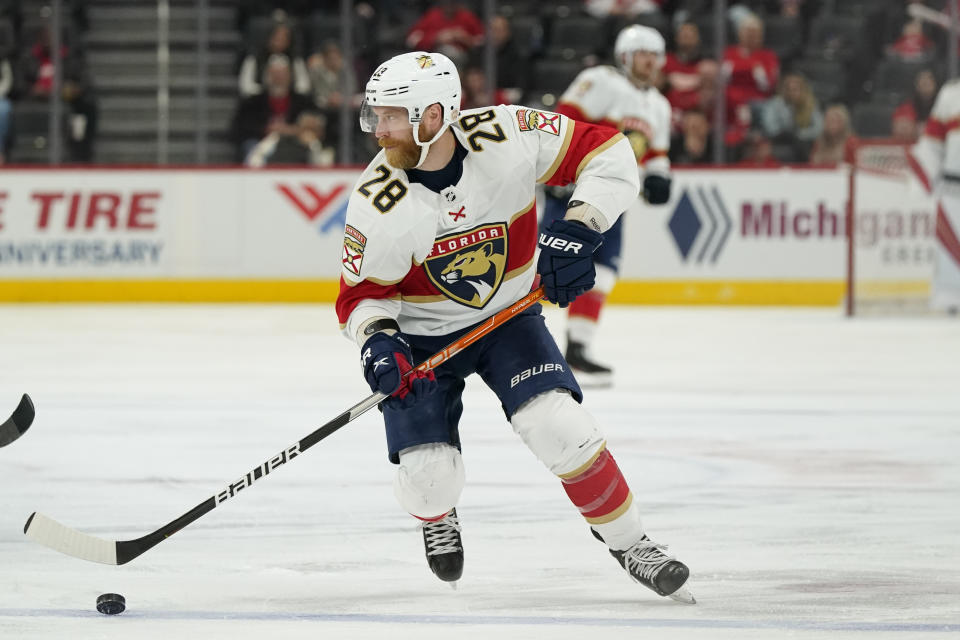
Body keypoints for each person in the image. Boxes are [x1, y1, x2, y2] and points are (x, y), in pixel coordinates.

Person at [335, 51, 694, 602]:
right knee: (431, 479)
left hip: (507, 320)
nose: (378, 131)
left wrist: (582, 224)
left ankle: (631, 542)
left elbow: (610, 152)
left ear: (434, 115)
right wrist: (379, 345)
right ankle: (437, 514)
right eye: (375, 115)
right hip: (422, 338)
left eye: (391, 116)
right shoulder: (377, 202)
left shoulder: (507, 134)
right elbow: (362, 296)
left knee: (560, 427)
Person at [540, 25, 673, 387]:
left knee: (604, 273)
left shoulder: (658, 105)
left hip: (615, 199)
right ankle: (492, 331)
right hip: (575, 189)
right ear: (626, 56)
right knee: (539, 268)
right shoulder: (600, 81)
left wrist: (660, 176)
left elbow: (655, 153)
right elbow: (563, 121)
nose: (650, 61)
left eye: (655, 54)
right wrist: (557, 171)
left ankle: (578, 350)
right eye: (643, 53)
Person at [912, 78, 960, 312]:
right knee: (951, 247)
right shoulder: (951, 94)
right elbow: (932, 142)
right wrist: (925, 178)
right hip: (953, 189)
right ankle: (951, 297)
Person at [245, 110, 333, 167]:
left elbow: (322, 170)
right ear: (298, 127)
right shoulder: (278, 138)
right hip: (274, 176)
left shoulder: (324, 149)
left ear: (320, 132)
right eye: (305, 128)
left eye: (312, 130)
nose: (307, 133)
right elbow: (256, 156)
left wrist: (313, 144)